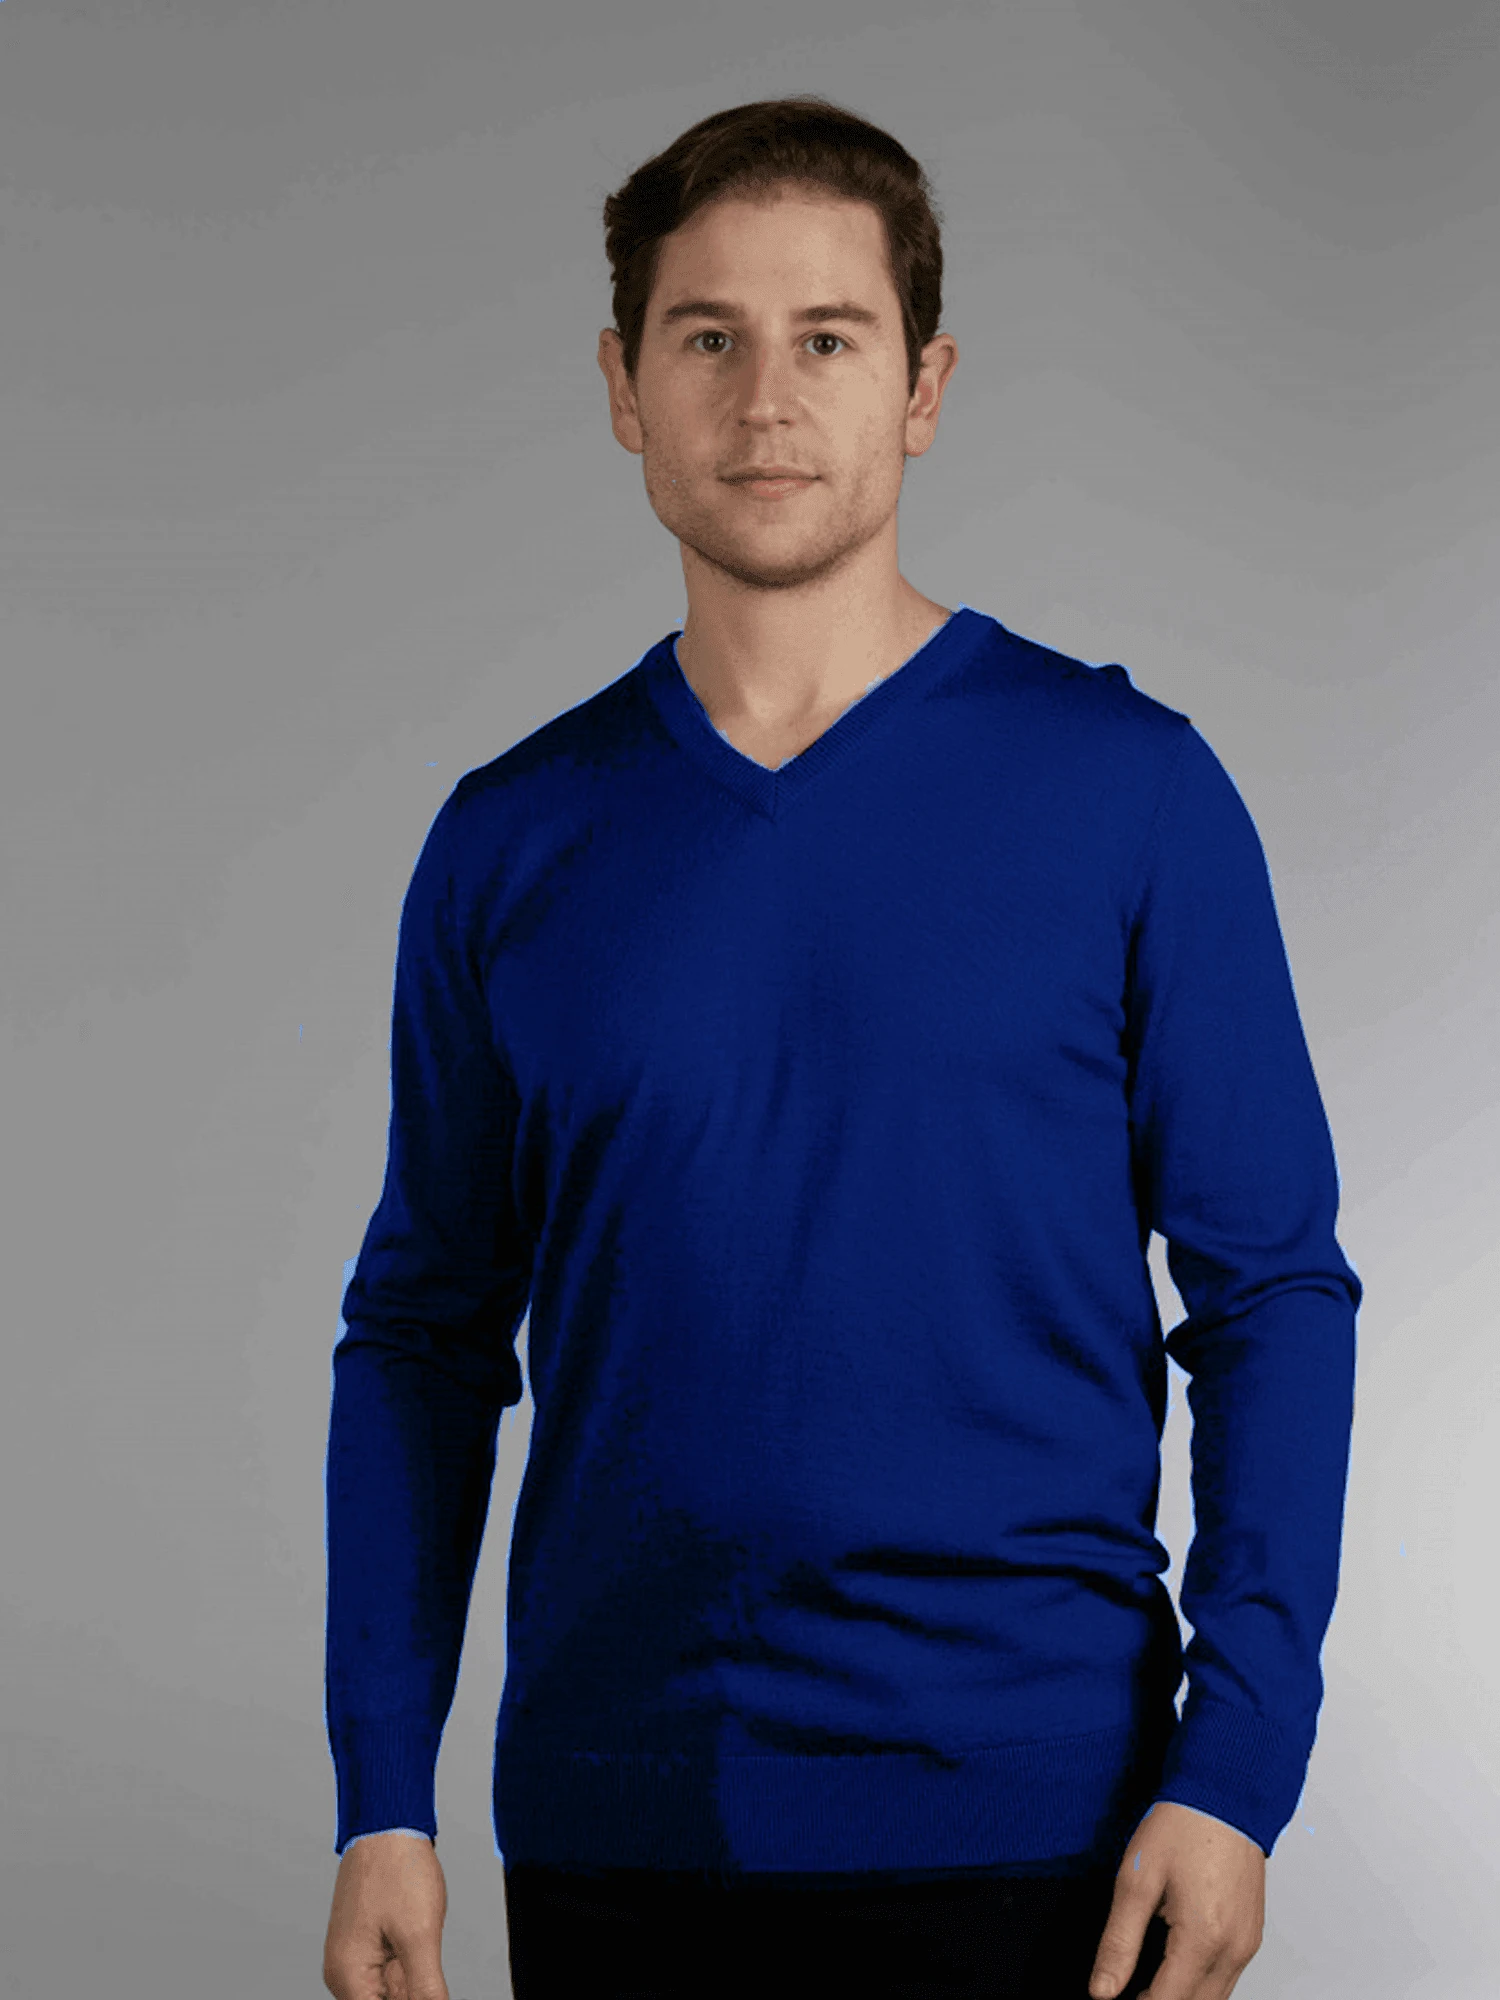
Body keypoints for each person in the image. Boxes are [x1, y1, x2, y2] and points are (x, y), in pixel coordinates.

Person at [322, 95, 1360, 2000]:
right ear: (625, 387)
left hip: (1041, 1824)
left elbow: (1274, 1292)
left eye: (828, 339)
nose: (766, 401)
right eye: (707, 337)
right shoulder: (510, 840)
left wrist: (1238, 1771)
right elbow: (421, 1333)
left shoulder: (1130, 796)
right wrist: (382, 1790)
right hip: (622, 1824)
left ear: (924, 387)